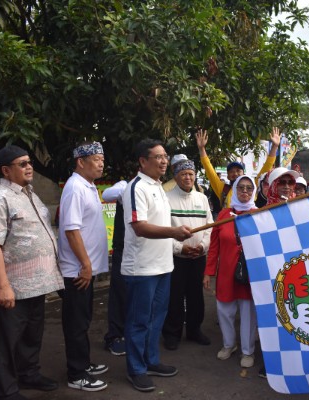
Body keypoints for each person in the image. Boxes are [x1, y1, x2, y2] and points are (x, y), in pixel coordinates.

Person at [0, 145, 64, 400]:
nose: (29, 167)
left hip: (37, 283)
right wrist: (3, 286)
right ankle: (4, 391)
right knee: (6, 341)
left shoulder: (31, 195)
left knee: (31, 334)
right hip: (13, 285)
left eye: (29, 162)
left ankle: (28, 374)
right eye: (22, 163)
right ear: (6, 171)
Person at [121, 139, 192, 393]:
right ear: (143, 161)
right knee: (139, 321)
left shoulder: (159, 186)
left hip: (163, 266)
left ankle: (150, 361)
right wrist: (174, 232)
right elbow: (139, 227)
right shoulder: (136, 187)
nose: (164, 161)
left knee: (156, 318)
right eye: (158, 157)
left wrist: (176, 240)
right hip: (142, 269)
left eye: (165, 156)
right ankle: (136, 369)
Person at [58, 142, 110, 392]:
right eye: (96, 159)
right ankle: (76, 374)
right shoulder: (75, 188)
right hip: (77, 271)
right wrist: (86, 264)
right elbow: (71, 229)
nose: (101, 164)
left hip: (85, 269)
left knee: (84, 319)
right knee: (76, 323)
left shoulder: (88, 186)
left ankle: (84, 363)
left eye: (102, 159)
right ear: (81, 161)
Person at [204, 175, 258, 368]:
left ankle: (248, 351)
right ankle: (229, 344)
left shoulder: (260, 214)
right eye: (241, 187)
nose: (245, 191)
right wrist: (208, 272)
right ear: (234, 190)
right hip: (226, 273)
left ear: (254, 191)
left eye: (249, 188)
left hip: (249, 275)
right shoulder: (223, 215)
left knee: (248, 314)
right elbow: (214, 247)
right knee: (224, 311)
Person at [163, 159, 213, 350]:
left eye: (191, 174)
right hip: (176, 257)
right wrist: (180, 248)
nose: (188, 177)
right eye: (183, 174)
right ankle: (172, 333)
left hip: (198, 257)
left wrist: (202, 246)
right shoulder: (166, 198)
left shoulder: (202, 198)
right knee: (174, 296)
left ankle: (194, 330)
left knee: (196, 296)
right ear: (176, 177)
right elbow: (163, 230)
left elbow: (210, 227)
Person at [196, 127, 280, 208]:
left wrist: (275, 146)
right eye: (231, 171)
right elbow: (209, 170)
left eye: (238, 171)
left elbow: (266, 168)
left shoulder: (253, 185)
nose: (235, 173)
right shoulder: (223, 189)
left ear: (243, 173)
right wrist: (201, 148)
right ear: (228, 176)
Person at [102, 180, 128, 356]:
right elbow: (106, 195)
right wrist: (129, 192)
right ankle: (114, 337)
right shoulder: (124, 186)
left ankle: (130, 334)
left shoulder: (155, 188)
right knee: (119, 293)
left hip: (142, 252)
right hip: (123, 250)